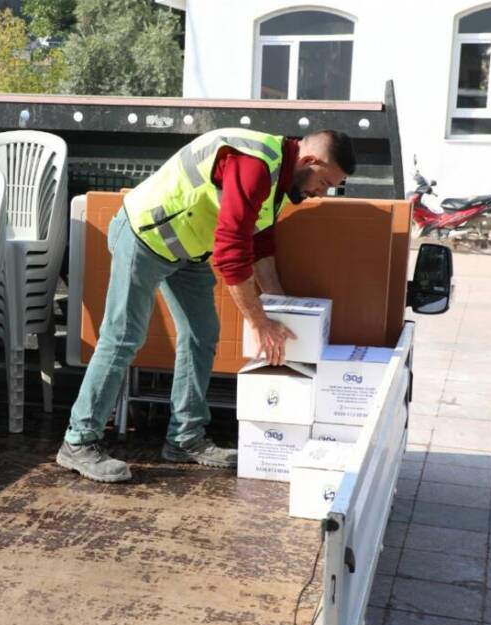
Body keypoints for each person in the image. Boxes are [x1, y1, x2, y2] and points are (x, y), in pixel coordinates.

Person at [57, 128, 356, 482]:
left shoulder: (279, 179)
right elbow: (231, 253)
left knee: (202, 332)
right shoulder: (255, 165)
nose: (322, 192)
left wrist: (281, 306)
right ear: (309, 160)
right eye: (324, 182)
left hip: (186, 250)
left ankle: (185, 439)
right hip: (146, 235)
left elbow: (258, 241)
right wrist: (260, 323)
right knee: (123, 337)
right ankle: (79, 441)